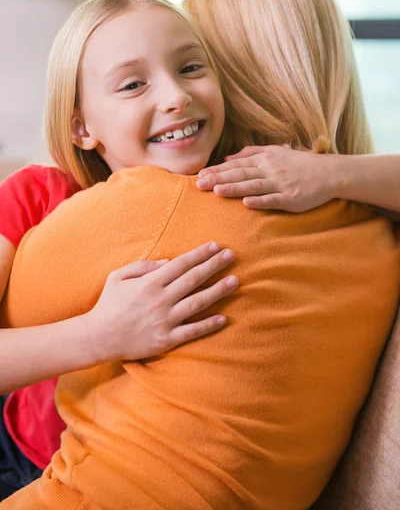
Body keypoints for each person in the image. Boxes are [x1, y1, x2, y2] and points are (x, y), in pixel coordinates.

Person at [1, 0, 399, 510]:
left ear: (232, 73)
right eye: (133, 83)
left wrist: (331, 171)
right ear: (81, 124)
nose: (174, 96)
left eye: (193, 65)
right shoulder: (377, 230)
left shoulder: (164, 203)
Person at [0, 164, 237, 500]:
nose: (175, 106)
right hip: (25, 446)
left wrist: (337, 174)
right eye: (127, 104)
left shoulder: (240, 180)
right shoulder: (40, 192)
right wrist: (102, 336)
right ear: (81, 127)